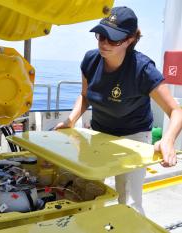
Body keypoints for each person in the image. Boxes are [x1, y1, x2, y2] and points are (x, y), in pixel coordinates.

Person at [54, 6, 182, 214]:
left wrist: (167, 140)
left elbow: (176, 110)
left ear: (130, 40)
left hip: (134, 137)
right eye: (101, 36)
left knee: (129, 200)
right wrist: (71, 120)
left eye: (113, 39)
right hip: (99, 132)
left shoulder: (142, 69)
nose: (104, 43)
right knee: (88, 190)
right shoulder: (90, 60)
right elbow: (85, 95)